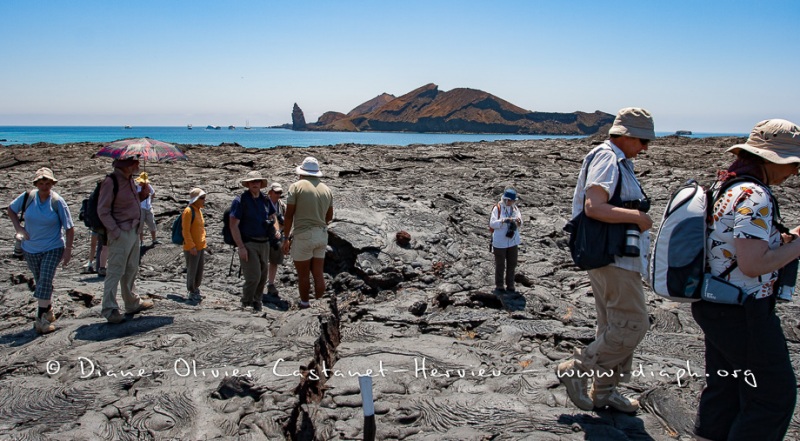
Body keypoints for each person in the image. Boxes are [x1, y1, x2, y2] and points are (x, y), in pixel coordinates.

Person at [692, 119, 800, 441]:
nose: (795, 172)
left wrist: (791, 238)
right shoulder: (755, 196)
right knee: (772, 397)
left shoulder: (727, 185)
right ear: (771, 160)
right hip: (744, 312)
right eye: (793, 164)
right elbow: (753, 265)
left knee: (726, 389)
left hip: (716, 304)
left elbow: (737, 246)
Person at [556, 107, 655, 412]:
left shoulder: (618, 160)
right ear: (624, 136)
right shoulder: (607, 158)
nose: (645, 148)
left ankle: (605, 392)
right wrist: (639, 217)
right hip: (613, 259)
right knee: (632, 324)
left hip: (614, 257)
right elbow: (594, 207)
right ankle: (576, 369)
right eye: (642, 140)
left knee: (613, 325)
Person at [7, 167, 75, 334]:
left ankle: (41, 320)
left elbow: (69, 227)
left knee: (45, 279)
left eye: (48, 183)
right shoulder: (27, 198)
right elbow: (11, 210)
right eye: (41, 183)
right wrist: (19, 228)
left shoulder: (57, 201)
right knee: (41, 280)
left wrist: (68, 250)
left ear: (53, 184)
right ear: (36, 184)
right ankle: (49, 309)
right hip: (30, 248)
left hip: (53, 247)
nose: (45, 186)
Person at [98, 157, 154, 324]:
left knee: (131, 268)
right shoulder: (111, 181)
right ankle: (109, 308)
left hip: (134, 230)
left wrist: (141, 195)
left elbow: (128, 202)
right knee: (115, 270)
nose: (138, 165)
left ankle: (131, 302)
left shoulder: (129, 180)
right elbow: (103, 210)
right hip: (121, 232)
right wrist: (115, 231)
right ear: (126, 165)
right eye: (134, 162)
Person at [282, 157, 333, 309]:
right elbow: (329, 217)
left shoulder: (296, 187)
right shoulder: (327, 189)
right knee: (318, 272)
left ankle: (305, 304)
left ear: (302, 173)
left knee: (303, 275)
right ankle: (319, 304)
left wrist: (286, 238)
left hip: (303, 234)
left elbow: (289, 215)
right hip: (322, 235)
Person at [229, 171, 281, 312]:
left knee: (263, 275)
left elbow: (272, 215)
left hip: (264, 242)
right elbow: (233, 224)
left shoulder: (264, 199)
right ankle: (246, 302)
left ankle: (257, 302)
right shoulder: (240, 200)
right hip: (248, 243)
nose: (255, 184)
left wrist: (275, 229)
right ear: (248, 184)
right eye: (252, 182)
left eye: (257, 181)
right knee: (253, 276)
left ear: (261, 184)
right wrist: (241, 247)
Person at [489, 188, 522, 293]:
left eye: (514, 201)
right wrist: (503, 221)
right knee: (500, 264)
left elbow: (521, 221)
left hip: (512, 241)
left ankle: (510, 284)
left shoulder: (515, 208)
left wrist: (517, 221)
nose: (512, 202)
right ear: (506, 200)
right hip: (500, 242)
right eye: (511, 200)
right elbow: (492, 224)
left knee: (512, 263)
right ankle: (499, 285)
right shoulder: (497, 209)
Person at [182, 188, 207, 302]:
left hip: (201, 246)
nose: (204, 200)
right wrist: (191, 245)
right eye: (202, 198)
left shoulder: (199, 210)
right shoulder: (188, 211)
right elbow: (185, 231)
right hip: (192, 247)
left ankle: (196, 288)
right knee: (192, 270)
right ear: (196, 199)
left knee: (199, 270)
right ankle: (191, 291)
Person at [266, 182, 286, 296]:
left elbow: (287, 221)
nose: (278, 195)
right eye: (276, 192)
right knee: (262, 261)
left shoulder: (282, 206)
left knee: (274, 261)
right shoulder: (263, 204)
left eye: (280, 193)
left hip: (278, 238)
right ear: (270, 192)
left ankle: (271, 283)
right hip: (264, 236)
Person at [135, 171, 158, 245]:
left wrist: (150, 200)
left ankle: (154, 239)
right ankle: (141, 241)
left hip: (148, 207)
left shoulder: (148, 186)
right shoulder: (137, 187)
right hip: (140, 208)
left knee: (152, 223)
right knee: (140, 225)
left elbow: (153, 193)